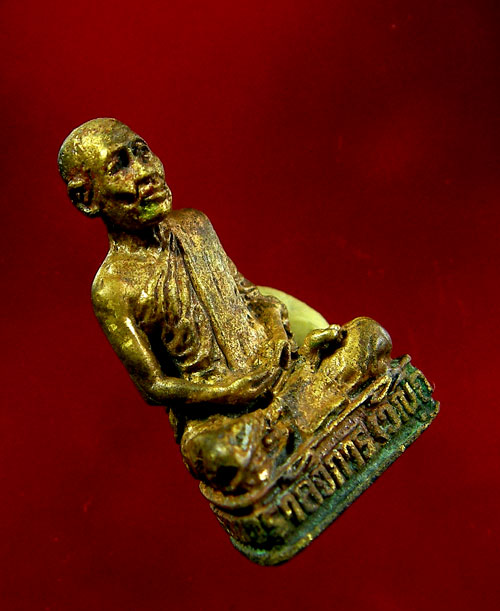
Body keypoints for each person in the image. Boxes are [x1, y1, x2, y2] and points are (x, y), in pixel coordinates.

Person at [58, 118, 392, 493]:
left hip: (283, 369)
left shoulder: (195, 225)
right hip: (220, 414)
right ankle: (292, 430)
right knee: (223, 455)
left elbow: (253, 298)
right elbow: (154, 386)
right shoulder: (113, 288)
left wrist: (280, 340)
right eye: (120, 165)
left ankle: (284, 433)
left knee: (370, 336)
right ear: (87, 199)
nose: (146, 171)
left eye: (142, 152)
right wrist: (228, 392)